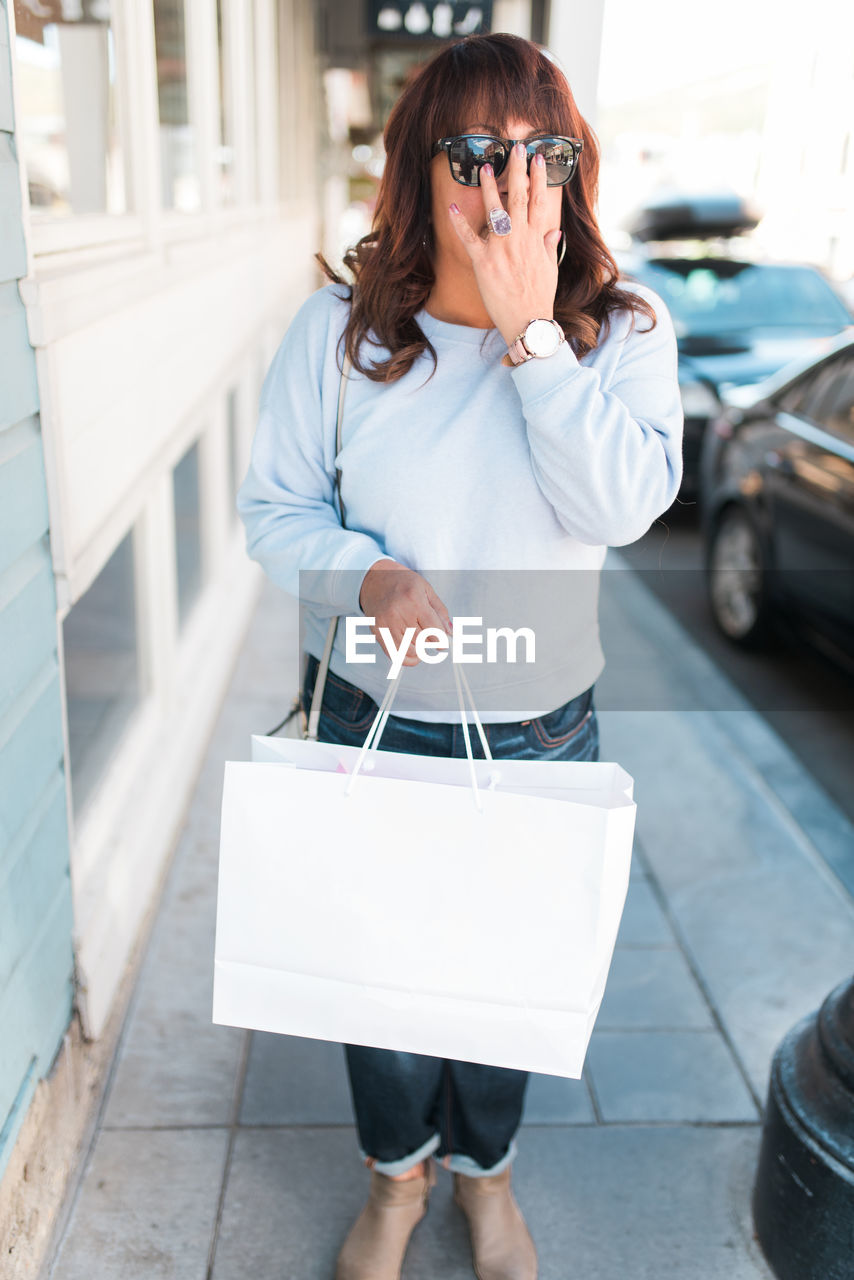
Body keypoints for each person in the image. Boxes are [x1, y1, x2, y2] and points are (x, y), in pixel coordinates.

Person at [236, 32, 683, 1280]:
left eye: (539, 155)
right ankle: (395, 1177)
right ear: (414, 167)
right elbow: (275, 508)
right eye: (474, 154)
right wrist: (363, 573)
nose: (505, 189)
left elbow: (621, 509)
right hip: (371, 716)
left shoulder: (619, 331)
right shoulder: (339, 330)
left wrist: (533, 339)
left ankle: (483, 1175)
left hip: (534, 727)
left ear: (573, 173)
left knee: (498, 996)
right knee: (375, 995)